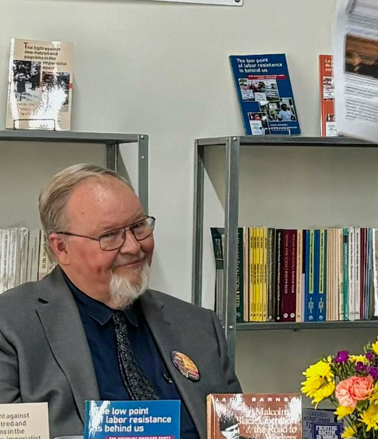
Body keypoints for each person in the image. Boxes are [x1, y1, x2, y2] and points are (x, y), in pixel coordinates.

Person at [0, 164, 242, 439]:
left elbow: (234, 431)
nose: (133, 247)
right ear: (61, 247)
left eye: (139, 226)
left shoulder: (198, 325)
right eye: (110, 235)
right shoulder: (10, 326)